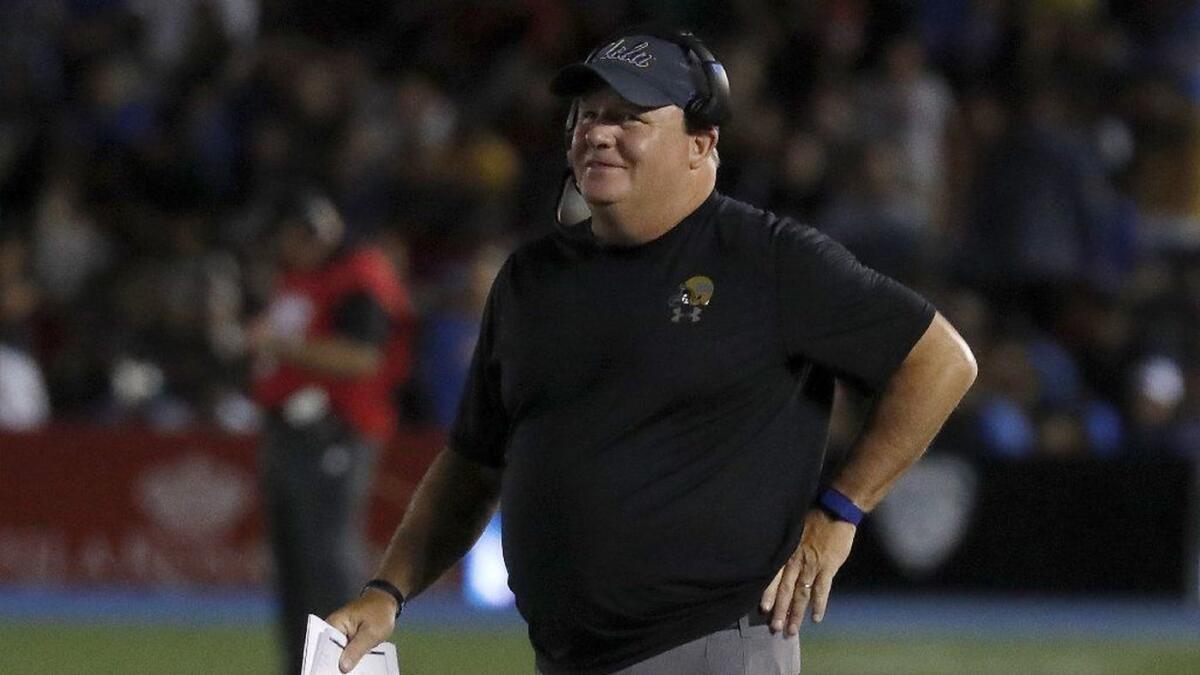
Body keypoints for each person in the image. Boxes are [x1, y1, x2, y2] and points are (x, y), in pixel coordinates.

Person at [329, 29, 976, 675]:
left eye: (630, 118)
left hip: (712, 647)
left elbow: (941, 360)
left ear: (702, 143)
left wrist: (842, 508)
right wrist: (387, 590)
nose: (599, 133)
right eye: (588, 116)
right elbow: (472, 463)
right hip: (565, 658)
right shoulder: (532, 278)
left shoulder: (767, 260)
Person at [248, 191, 414, 675]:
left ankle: (353, 669)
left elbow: (364, 357)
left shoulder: (358, 275)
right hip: (288, 432)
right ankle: (302, 668)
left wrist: (281, 347)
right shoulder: (300, 277)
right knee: (294, 569)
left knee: (329, 562)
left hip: (335, 432)